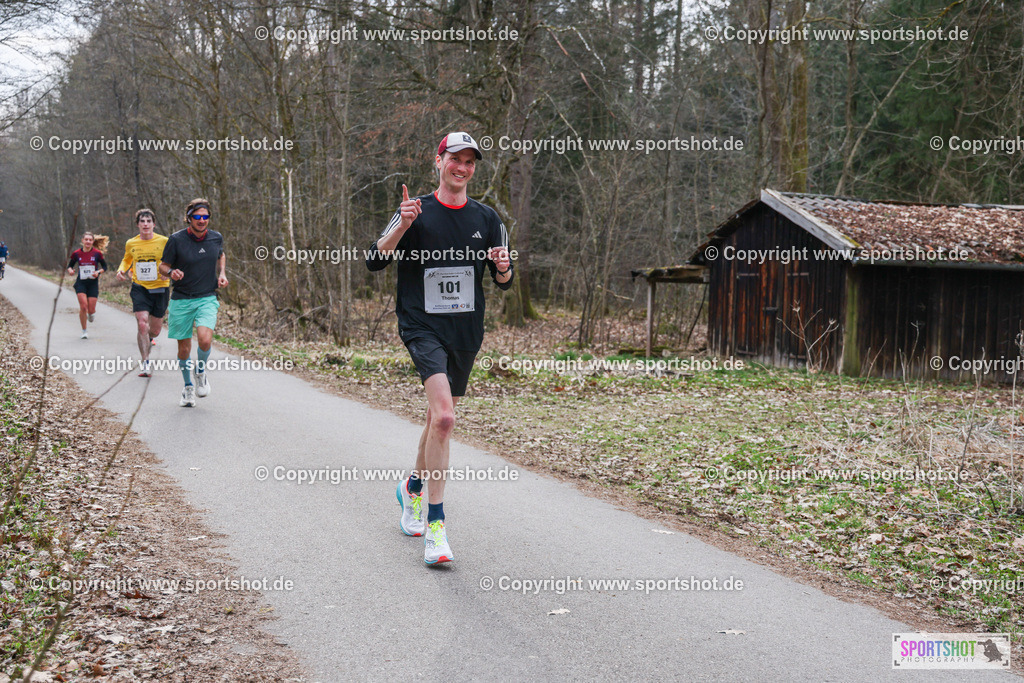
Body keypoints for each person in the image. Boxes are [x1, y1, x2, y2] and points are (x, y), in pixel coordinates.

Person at [367, 132, 513, 565]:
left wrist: (503, 269)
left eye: (470, 161)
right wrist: (402, 226)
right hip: (421, 326)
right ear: (438, 161)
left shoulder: (488, 218)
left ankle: (412, 486)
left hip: (465, 331)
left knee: (436, 417)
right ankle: (436, 527)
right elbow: (374, 261)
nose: (462, 167)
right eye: (455, 159)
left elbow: (505, 281)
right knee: (447, 417)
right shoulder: (413, 211)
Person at [159, 198, 227, 407]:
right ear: (189, 218)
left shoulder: (216, 238)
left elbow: (221, 254)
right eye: (197, 216)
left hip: (207, 297)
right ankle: (188, 387)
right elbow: (162, 266)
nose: (201, 220)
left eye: (205, 217)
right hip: (181, 299)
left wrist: (222, 273)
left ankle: (200, 372)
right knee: (184, 350)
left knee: (205, 340)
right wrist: (172, 272)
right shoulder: (176, 240)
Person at [116, 209, 170, 377]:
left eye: (148, 221)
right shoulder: (131, 243)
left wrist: (167, 271)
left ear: (154, 224)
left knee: (154, 330)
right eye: (142, 221)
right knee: (142, 323)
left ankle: (149, 339)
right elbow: (127, 259)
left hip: (160, 288)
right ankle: (145, 362)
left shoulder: (164, 241)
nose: (145, 224)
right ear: (138, 224)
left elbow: (173, 260)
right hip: (140, 287)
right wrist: (121, 270)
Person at [66, 232, 109, 339]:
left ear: (93, 241)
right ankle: (84, 331)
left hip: (93, 284)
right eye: (86, 239)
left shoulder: (97, 253)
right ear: (82, 241)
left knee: (91, 310)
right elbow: (70, 266)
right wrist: (71, 271)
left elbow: (105, 267)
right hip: (81, 283)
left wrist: (98, 272)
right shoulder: (76, 253)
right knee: (83, 306)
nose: (88, 241)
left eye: (90, 240)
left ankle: (91, 314)